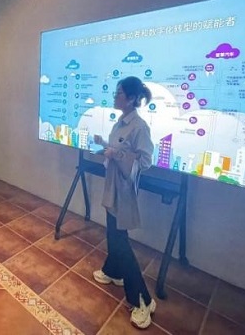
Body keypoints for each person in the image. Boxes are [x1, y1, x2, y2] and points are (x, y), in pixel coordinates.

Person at [92, 76, 156, 329]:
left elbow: (145, 161)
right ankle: (113, 271)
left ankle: (143, 300)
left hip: (124, 191)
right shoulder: (120, 122)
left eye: (119, 93)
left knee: (120, 240)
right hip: (113, 186)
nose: (114, 96)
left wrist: (116, 153)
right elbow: (118, 150)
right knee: (113, 232)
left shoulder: (139, 127)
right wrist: (105, 145)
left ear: (131, 98)